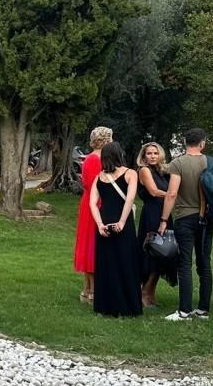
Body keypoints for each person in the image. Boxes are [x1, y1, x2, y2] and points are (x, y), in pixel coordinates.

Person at [158, 128, 213, 321]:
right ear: (202, 143)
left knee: (185, 264)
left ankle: (184, 310)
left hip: (185, 216)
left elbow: (172, 193)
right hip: (206, 216)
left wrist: (164, 219)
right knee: (204, 263)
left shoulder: (178, 163)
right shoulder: (212, 162)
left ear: (184, 142)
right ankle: (204, 309)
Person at [91, 141, 143, 317]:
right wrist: (121, 221)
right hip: (123, 221)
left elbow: (93, 203)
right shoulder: (130, 173)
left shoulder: (99, 177)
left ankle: (105, 306)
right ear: (120, 154)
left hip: (104, 219)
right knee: (126, 262)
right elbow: (129, 199)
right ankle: (127, 306)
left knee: (106, 264)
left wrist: (99, 224)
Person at [74, 126, 113, 304]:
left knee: (88, 242)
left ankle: (87, 288)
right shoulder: (101, 159)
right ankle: (94, 290)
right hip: (98, 202)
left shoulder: (88, 159)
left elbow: (85, 183)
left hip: (88, 201)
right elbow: (96, 185)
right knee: (94, 243)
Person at [136, 142, 172, 307]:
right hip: (152, 215)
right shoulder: (144, 171)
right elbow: (153, 191)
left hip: (164, 213)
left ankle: (151, 293)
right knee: (153, 253)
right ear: (143, 156)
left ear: (160, 155)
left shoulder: (163, 172)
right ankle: (144, 293)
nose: (152, 156)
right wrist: (173, 196)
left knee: (163, 254)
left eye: (155, 153)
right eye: (149, 153)